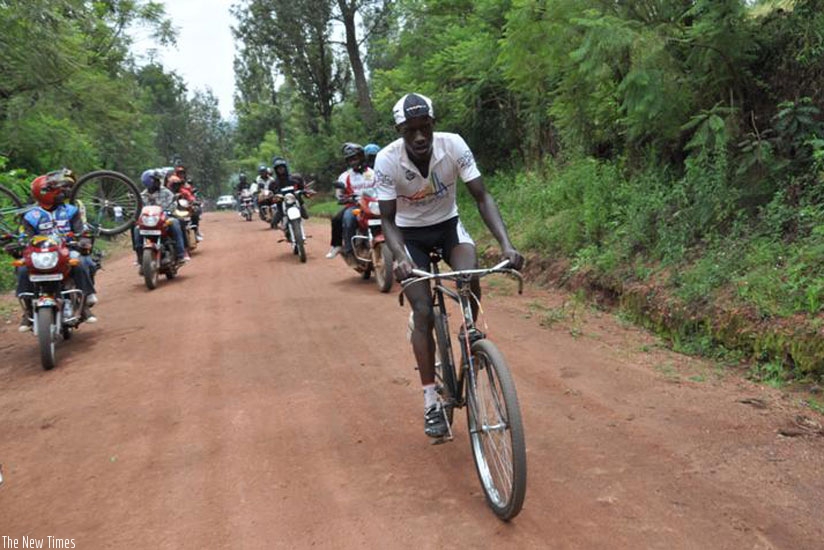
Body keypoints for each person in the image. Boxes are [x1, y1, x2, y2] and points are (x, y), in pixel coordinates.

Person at [375, 93, 524, 438]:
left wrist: (507, 244)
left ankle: (472, 338)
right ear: (400, 130)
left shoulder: (454, 146)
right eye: (410, 131)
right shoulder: (386, 161)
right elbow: (387, 219)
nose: (419, 137)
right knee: (424, 311)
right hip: (409, 236)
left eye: (425, 128)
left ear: (433, 125)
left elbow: (482, 196)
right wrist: (399, 258)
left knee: (469, 277)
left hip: (448, 227)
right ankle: (430, 400)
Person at [13, 169, 98, 331]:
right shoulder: (31, 216)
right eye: (56, 190)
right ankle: (28, 310)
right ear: (44, 193)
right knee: (23, 269)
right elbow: (25, 238)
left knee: (79, 263)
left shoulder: (71, 210)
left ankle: (84, 304)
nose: (61, 192)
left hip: (67, 250)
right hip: (41, 255)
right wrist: (17, 246)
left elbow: (81, 231)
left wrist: (84, 241)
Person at [325, 143, 375, 259]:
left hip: (371, 204)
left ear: (362, 157)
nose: (353, 162)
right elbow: (339, 193)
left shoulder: (372, 173)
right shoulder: (345, 176)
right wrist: (342, 197)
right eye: (350, 160)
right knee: (347, 219)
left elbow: (380, 187)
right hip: (354, 206)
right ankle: (348, 250)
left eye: (355, 158)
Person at [134, 169, 189, 268]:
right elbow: (139, 208)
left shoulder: (166, 192)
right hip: (149, 221)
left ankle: (181, 254)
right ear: (149, 182)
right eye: (156, 180)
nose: (159, 182)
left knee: (175, 223)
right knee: (136, 229)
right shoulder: (142, 196)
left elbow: (173, 203)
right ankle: (139, 256)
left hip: (165, 218)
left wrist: (169, 210)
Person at [269, 156, 308, 230]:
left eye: (282, 167)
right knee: (274, 223)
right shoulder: (273, 183)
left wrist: (305, 192)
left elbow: (303, 188)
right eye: (278, 168)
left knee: (306, 215)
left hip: (296, 200)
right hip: (282, 203)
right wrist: (272, 197)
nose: (280, 169)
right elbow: (271, 194)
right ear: (275, 170)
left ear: (285, 167)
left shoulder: (295, 178)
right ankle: (279, 225)